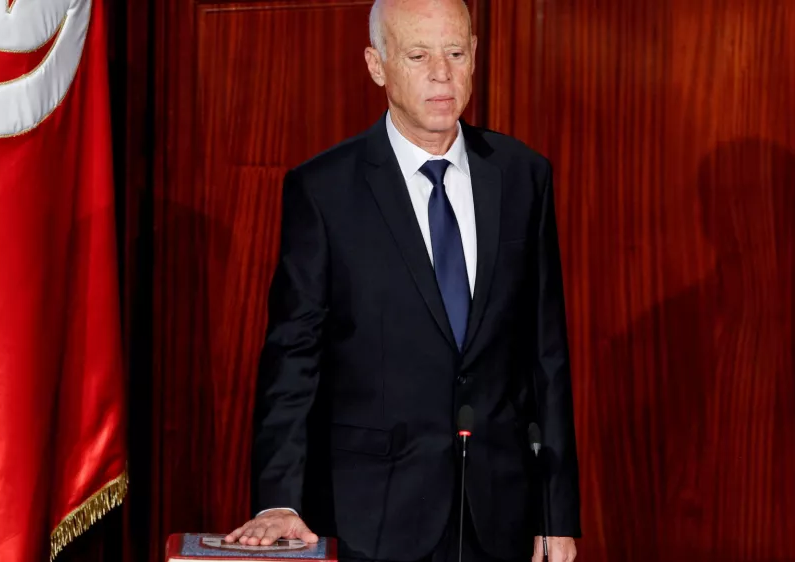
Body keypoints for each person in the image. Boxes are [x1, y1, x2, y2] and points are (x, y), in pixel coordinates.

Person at [225, 1, 581, 561]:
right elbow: (294, 356)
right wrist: (279, 499)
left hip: (499, 514)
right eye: (418, 55)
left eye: (456, 53)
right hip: (373, 514)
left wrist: (557, 515)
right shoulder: (325, 191)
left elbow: (547, 357)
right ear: (377, 64)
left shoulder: (522, 175)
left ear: (474, 57)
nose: (442, 72)